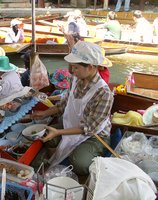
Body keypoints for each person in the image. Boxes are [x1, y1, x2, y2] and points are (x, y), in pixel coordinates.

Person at [32, 41, 113, 175]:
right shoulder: (76, 78)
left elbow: (90, 128)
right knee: (46, 135)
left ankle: (69, 156)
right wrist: (45, 113)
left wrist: (58, 132)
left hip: (94, 135)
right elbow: (65, 103)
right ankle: (55, 158)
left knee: (79, 163)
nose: (72, 71)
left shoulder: (103, 93)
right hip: (72, 124)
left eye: (75, 67)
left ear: (91, 67)